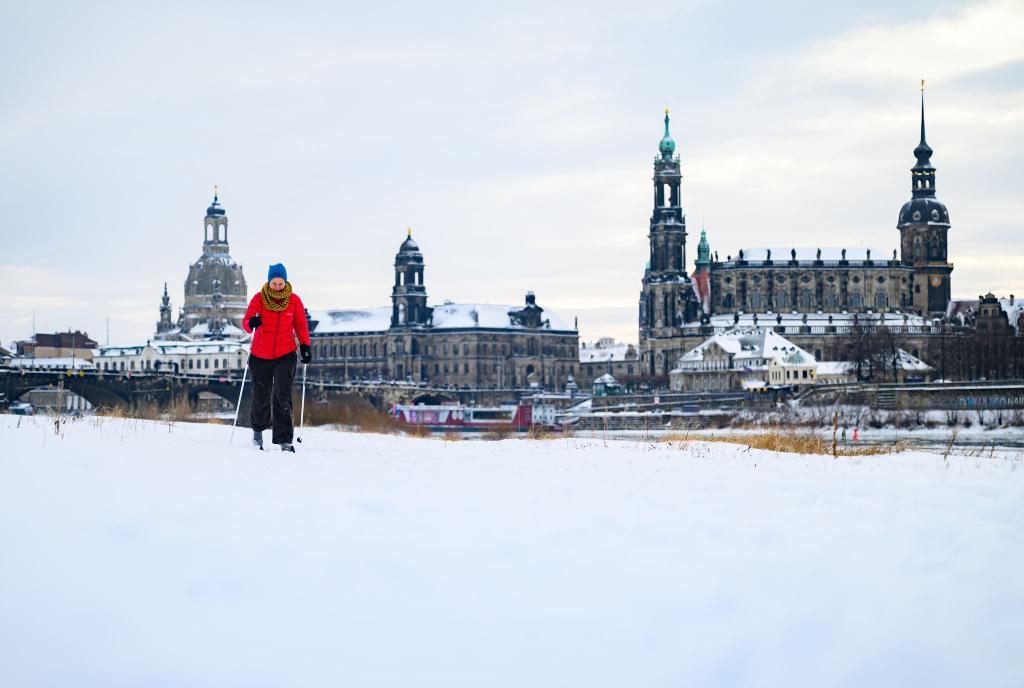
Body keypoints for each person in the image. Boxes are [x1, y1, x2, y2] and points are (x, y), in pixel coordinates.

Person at [242, 263, 313, 452]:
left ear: (286, 282)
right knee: (261, 396)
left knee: (283, 396)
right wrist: (252, 322)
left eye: (281, 283)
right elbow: (247, 323)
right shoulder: (259, 299)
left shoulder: (294, 301)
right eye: (274, 283)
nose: (277, 287)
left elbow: (301, 325)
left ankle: (284, 440)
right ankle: (258, 431)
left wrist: (305, 346)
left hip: (285, 354)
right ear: (269, 281)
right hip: (260, 355)